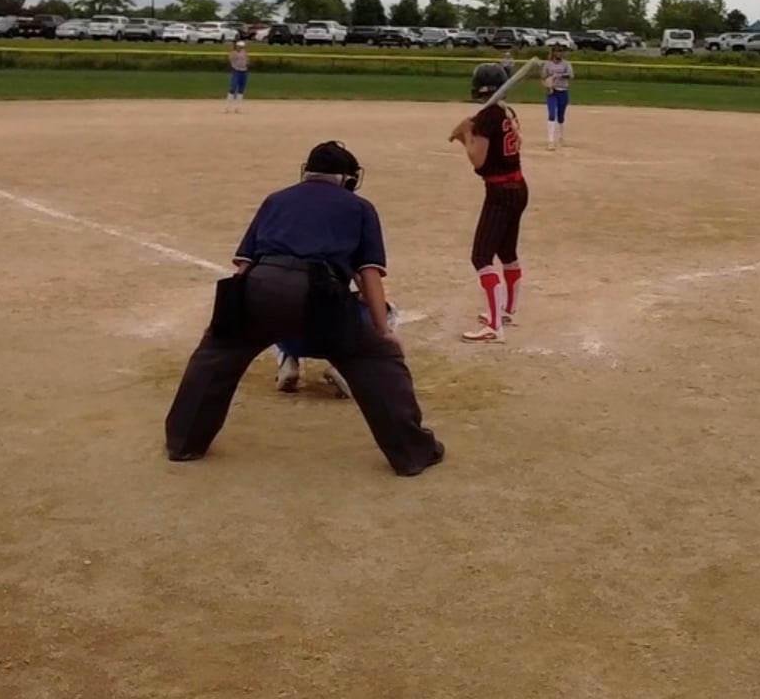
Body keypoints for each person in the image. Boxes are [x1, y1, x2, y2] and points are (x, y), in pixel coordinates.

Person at [162, 141, 445, 476]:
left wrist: (224, 320)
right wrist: (383, 331)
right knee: (376, 357)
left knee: (216, 353)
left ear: (306, 172)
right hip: (319, 296)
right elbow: (368, 273)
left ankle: (184, 442)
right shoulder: (359, 207)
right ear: (349, 178)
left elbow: (244, 266)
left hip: (259, 287)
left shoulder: (276, 200)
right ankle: (412, 452)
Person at [449, 63, 525, 342]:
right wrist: (469, 130)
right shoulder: (505, 112)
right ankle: (507, 310)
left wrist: (465, 134)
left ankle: (494, 325)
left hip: (500, 191)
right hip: (518, 188)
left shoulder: (486, 117)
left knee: (481, 257)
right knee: (506, 251)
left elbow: (478, 160)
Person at [540, 45, 574, 149]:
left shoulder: (566, 64)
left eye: (561, 52)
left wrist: (559, 75)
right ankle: (550, 140)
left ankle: (561, 137)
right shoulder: (547, 64)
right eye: (557, 51)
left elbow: (571, 75)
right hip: (552, 92)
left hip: (563, 91)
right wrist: (547, 86)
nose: (560, 53)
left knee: (560, 116)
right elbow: (543, 78)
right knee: (551, 114)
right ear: (553, 52)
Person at [225, 41, 250, 113]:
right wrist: (235, 54)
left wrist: (246, 62)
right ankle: (227, 107)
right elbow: (230, 59)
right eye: (240, 47)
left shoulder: (244, 52)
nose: (241, 48)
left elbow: (247, 61)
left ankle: (238, 108)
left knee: (241, 89)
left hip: (244, 71)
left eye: (242, 47)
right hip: (236, 71)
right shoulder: (233, 53)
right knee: (233, 87)